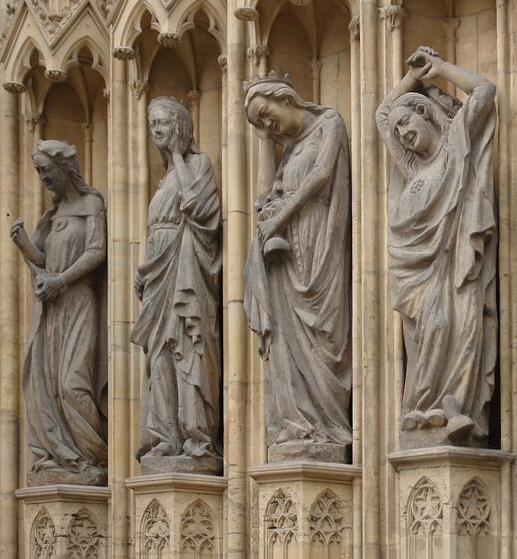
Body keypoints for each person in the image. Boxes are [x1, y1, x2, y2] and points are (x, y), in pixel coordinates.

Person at [376, 46, 497, 444]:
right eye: (399, 134)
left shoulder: (456, 142)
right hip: (417, 267)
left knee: (462, 326)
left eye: (407, 124)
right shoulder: (412, 167)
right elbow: (381, 115)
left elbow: (484, 91)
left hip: (456, 257)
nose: (403, 135)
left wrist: (437, 70)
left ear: (426, 114)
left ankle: (453, 406)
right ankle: (421, 407)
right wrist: (407, 83)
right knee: (433, 328)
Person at [243, 73, 352, 459]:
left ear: (285, 97)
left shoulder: (329, 123)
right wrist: (263, 141)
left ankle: (327, 428)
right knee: (286, 344)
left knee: (323, 337)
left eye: (265, 113)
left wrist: (280, 218)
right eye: (258, 121)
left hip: (319, 239)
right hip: (288, 251)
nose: (266, 123)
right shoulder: (287, 151)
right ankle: (298, 426)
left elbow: (322, 176)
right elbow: (262, 195)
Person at [131, 96, 222, 465]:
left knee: (185, 346)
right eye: (152, 123)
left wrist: (181, 155)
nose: (156, 130)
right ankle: (165, 436)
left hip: (186, 268)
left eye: (164, 122)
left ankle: (196, 436)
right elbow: (156, 229)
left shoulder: (196, 164)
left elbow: (198, 208)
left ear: (181, 126)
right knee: (158, 356)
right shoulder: (162, 179)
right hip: (157, 271)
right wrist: (144, 269)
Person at [10, 139, 107, 484]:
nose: (42, 176)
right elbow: (41, 260)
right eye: (37, 170)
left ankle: (91, 458)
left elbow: (97, 251)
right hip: (52, 308)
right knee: (45, 383)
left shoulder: (91, 203)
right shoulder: (51, 215)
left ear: (64, 167)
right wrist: (22, 241)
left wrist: (62, 280)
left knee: (72, 383)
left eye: (45, 169)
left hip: (78, 299)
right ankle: (62, 456)